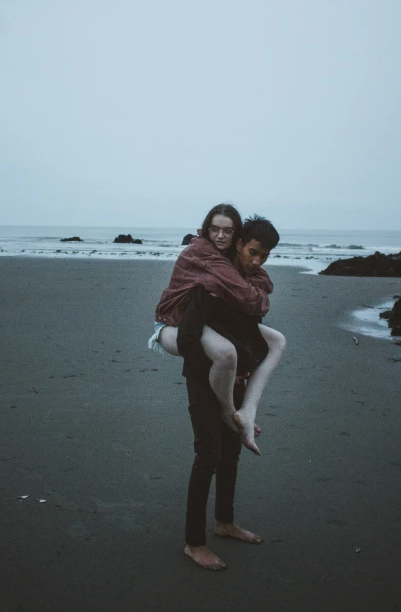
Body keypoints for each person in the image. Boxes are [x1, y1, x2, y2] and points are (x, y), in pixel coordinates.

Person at [149, 207, 286, 570]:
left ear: (237, 236)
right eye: (216, 229)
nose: (222, 236)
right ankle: (194, 543)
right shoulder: (209, 271)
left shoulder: (241, 272)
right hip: (202, 373)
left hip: (233, 375)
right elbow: (191, 333)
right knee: (208, 454)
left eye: (228, 231)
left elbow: (249, 322)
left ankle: (225, 522)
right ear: (208, 230)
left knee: (230, 453)